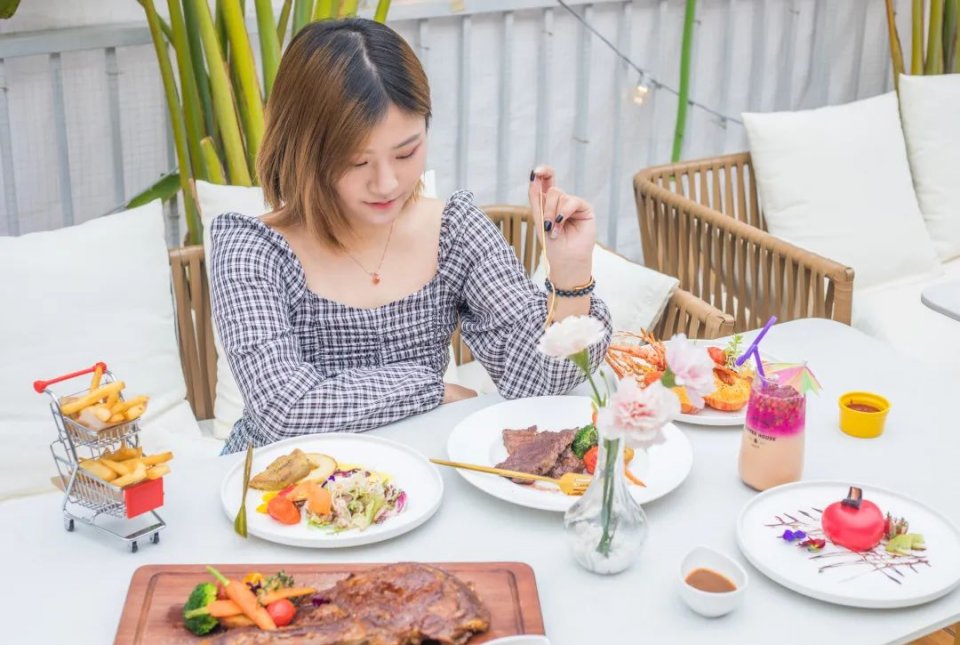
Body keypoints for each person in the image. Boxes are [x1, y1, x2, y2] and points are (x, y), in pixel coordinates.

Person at [210, 18, 612, 453]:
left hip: (418, 486)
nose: (386, 183)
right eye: (356, 162)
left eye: (406, 152)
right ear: (303, 150)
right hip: (279, 496)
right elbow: (285, 410)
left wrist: (571, 276)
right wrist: (429, 389)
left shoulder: (454, 231)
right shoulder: (250, 250)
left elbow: (539, 381)